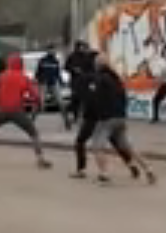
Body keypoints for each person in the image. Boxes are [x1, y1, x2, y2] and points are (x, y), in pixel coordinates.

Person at [0, 53, 52, 169]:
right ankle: (40, 158)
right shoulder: (23, 77)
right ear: (20, 64)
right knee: (33, 133)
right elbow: (34, 94)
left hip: (2, 110)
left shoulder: (1, 77)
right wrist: (38, 104)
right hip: (17, 111)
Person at [71, 51, 139, 179]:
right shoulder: (107, 76)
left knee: (80, 141)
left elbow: (82, 97)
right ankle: (130, 164)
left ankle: (81, 169)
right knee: (116, 141)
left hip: (92, 115)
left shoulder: (85, 78)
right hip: (108, 113)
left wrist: (80, 113)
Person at [90, 55, 157, 185]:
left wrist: (95, 112)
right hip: (120, 117)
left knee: (98, 146)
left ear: (97, 65)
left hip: (107, 118)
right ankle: (148, 169)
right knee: (127, 146)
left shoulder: (100, 79)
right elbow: (123, 96)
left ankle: (104, 174)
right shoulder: (116, 79)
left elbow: (96, 98)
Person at [35, 44, 69, 129]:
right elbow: (38, 73)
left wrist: (61, 82)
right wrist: (40, 80)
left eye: (53, 50)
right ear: (47, 50)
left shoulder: (55, 61)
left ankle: (67, 121)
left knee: (60, 102)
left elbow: (58, 73)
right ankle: (32, 120)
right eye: (50, 49)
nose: (52, 51)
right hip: (44, 83)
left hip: (53, 82)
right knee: (40, 103)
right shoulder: (42, 60)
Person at [63, 41, 91, 126]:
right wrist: (73, 69)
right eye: (80, 47)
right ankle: (73, 114)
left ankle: (81, 117)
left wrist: (88, 75)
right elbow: (66, 67)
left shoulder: (86, 57)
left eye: (83, 47)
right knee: (76, 99)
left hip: (84, 81)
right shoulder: (72, 57)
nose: (82, 49)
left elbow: (90, 68)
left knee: (84, 99)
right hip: (75, 81)